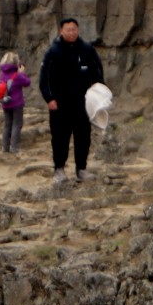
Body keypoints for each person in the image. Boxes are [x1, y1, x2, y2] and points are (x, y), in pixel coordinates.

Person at [38, 17, 105, 186]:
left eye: (74, 29)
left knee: (83, 137)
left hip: (83, 103)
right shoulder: (53, 51)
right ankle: (59, 169)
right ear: (61, 31)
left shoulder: (87, 49)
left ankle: (81, 169)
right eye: (68, 30)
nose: (72, 32)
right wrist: (49, 98)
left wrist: (98, 93)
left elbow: (98, 72)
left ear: (78, 30)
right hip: (60, 104)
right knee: (60, 138)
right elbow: (43, 78)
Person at [0, 52, 32, 154]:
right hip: (16, 104)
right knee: (17, 124)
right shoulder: (17, 75)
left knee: (7, 124)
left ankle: (5, 147)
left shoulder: (1, 73)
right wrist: (22, 73)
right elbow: (27, 82)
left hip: (5, 103)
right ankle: (14, 147)